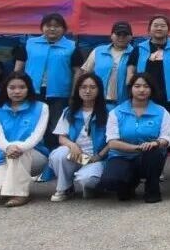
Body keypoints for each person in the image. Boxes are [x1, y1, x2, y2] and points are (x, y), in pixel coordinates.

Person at [99, 74, 170, 203]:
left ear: (151, 89)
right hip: (122, 156)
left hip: (149, 157)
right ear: (130, 89)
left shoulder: (162, 112)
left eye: (146, 86)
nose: (142, 90)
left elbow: (166, 137)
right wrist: (137, 148)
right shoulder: (116, 112)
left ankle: (152, 189)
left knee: (154, 153)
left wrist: (155, 143)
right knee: (111, 182)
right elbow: (112, 143)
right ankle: (130, 183)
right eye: (137, 86)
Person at [13, 13, 84, 149]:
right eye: (48, 26)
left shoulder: (71, 47)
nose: (52, 29)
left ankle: (53, 155)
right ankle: (30, 152)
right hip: (32, 92)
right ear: (42, 27)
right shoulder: (30, 44)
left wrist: (74, 94)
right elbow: (17, 69)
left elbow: (78, 72)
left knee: (56, 126)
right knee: (31, 123)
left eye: (57, 26)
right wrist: (17, 89)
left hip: (60, 94)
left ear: (64, 29)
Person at [0, 72, 50, 207]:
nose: (17, 91)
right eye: (12, 87)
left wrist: (18, 147)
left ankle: (20, 194)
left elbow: (37, 135)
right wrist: (8, 147)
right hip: (1, 156)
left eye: (22, 87)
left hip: (33, 155)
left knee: (18, 147)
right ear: (5, 89)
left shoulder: (41, 107)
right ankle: (14, 185)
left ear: (29, 88)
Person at [48, 73, 110, 201]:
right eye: (83, 87)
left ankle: (92, 186)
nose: (87, 91)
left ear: (99, 90)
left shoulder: (109, 112)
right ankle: (65, 188)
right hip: (78, 156)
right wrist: (72, 145)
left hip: (97, 158)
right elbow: (62, 137)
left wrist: (99, 156)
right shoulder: (69, 111)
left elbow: (113, 141)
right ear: (77, 90)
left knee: (87, 180)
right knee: (58, 154)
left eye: (92, 87)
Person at [131, 16, 170, 111]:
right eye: (156, 25)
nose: (159, 28)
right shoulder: (139, 49)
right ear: (149, 29)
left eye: (163, 26)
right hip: (143, 96)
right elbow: (131, 72)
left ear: (169, 30)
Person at [81, 21, 135, 108]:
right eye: (118, 34)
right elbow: (85, 75)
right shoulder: (98, 51)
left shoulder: (136, 53)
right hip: (97, 103)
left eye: (125, 35)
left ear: (131, 37)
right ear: (111, 35)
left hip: (125, 105)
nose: (121, 37)